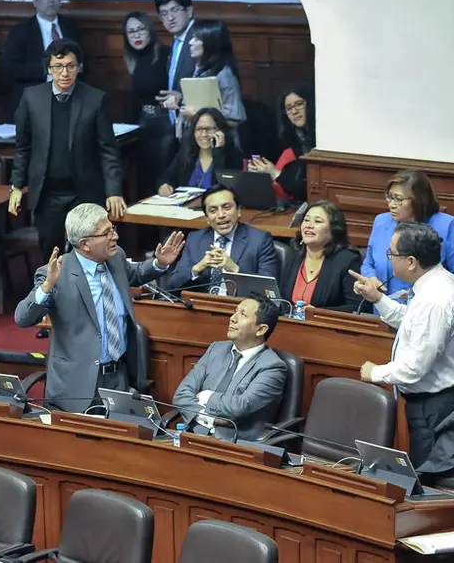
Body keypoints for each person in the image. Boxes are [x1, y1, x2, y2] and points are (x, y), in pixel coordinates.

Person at [14, 204, 185, 412]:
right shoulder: (55, 274)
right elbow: (23, 318)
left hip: (119, 376)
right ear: (85, 243)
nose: (115, 237)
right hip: (76, 383)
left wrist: (159, 263)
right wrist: (47, 287)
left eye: (112, 229)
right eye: (107, 233)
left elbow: (134, 274)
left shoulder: (116, 257)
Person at [350, 222, 454, 468]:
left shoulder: (434, 299)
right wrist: (377, 299)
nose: (388, 260)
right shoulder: (439, 282)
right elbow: (411, 322)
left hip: (436, 407)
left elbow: (415, 367)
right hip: (436, 402)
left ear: (411, 262)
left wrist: (375, 372)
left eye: (391, 254)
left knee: (429, 477)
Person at [8, 39, 125, 260]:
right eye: (58, 67)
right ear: (48, 69)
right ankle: (51, 293)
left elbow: (108, 150)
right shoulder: (32, 98)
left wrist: (114, 191)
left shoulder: (95, 99)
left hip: (84, 191)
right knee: (50, 253)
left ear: (79, 67)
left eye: (71, 66)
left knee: (88, 252)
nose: (64, 73)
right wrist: (16, 186)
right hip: (48, 192)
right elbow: (23, 147)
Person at [172, 297, 286, 441]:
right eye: (235, 311)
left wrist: (206, 396)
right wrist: (211, 420)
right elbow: (181, 394)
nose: (233, 318)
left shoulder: (272, 367)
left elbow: (239, 407)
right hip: (194, 435)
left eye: (243, 315)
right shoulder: (216, 349)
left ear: (261, 329)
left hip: (235, 444)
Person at [360, 170, 454, 307]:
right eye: (389, 197)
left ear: (418, 200)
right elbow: (368, 264)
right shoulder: (381, 222)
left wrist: (425, 293)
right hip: (382, 308)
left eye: (399, 199)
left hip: (427, 310)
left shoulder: (445, 225)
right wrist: (371, 278)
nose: (392, 204)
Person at [167, 184, 278, 294]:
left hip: (238, 307)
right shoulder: (195, 239)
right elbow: (172, 286)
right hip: (201, 306)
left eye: (226, 208)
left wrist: (234, 269)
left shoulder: (260, 240)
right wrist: (197, 268)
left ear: (239, 211)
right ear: (207, 218)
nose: (221, 215)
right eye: (213, 210)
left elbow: (269, 292)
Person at [3, 0, 83, 119]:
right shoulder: (20, 31)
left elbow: (83, 63)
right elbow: (11, 69)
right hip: (33, 95)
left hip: (70, 94)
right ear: (35, 1)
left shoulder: (72, 27)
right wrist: (50, 70)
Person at [163, 19, 246, 147]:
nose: (190, 43)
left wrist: (197, 115)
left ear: (210, 43)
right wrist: (178, 104)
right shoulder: (198, 70)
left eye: (196, 39)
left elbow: (234, 120)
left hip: (219, 146)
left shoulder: (224, 75)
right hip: (196, 144)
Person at [280, 201, 362, 313]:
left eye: (317, 221)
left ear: (334, 230)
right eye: (306, 220)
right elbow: (281, 300)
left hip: (327, 327)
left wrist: (317, 313)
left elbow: (356, 308)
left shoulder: (348, 261)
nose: (309, 225)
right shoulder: (294, 255)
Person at [122, 11, 171, 198]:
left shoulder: (165, 53)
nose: (137, 35)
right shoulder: (134, 60)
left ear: (150, 30)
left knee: (162, 181)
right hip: (144, 123)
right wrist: (126, 129)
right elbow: (137, 99)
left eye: (141, 29)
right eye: (131, 32)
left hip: (165, 122)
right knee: (144, 183)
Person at [248, 83, 314, 202]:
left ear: (310, 104)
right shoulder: (295, 139)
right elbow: (295, 187)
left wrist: (274, 172)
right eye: (289, 108)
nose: (294, 111)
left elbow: (304, 189)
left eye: (299, 104)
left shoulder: (322, 137)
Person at [157, 108, 242, 195]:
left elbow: (223, 188)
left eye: (209, 129)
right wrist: (165, 186)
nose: (204, 134)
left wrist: (218, 152)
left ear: (221, 131)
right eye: (199, 129)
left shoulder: (233, 157)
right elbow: (166, 178)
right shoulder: (186, 153)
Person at [154, 0, 196, 127]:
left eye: (175, 10)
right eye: (164, 14)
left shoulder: (200, 39)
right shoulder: (176, 43)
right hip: (180, 123)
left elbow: (213, 86)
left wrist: (183, 98)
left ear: (189, 11)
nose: (170, 18)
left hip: (201, 126)